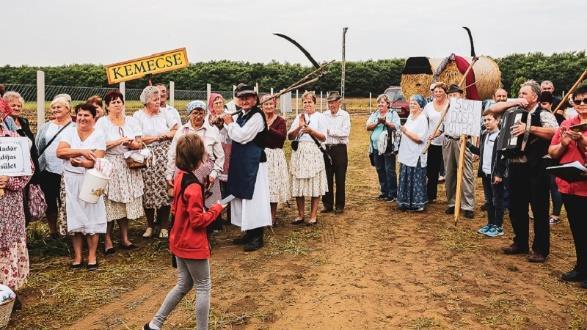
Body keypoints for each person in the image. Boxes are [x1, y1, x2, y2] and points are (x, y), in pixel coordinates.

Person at [144, 134, 226, 330]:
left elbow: (184, 203)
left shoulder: (180, 176)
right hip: (193, 244)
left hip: (178, 239)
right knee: (203, 286)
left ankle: (155, 323)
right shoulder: (194, 187)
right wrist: (216, 209)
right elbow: (198, 220)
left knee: (183, 284)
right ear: (198, 158)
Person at [490, 80, 558, 263]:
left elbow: (555, 132)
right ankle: (520, 243)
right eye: (519, 94)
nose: (521, 97)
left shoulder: (543, 113)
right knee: (516, 207)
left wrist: (529, 128)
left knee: (539, 209)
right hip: (515, 165)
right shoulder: (513, 112)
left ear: (535, 97)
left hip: (536, 167)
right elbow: (491, 111)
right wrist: (514, 102)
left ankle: (540, 249)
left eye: (524, 94)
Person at [56, 103, 107, 270]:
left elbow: (97, 159)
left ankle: (92, 255)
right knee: (75, 218)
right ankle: (78, 256)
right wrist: (82, 151)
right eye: (79, 115)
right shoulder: (69, 132)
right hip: (71, 180)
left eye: (86, 115)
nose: (82, 118)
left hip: (93, 180)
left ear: (94, 118)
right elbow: (60, 152)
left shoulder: (99, 134)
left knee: (93, 217)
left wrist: (82, 163)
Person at [223, 84, 271, 251]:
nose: (244, 100)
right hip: (242, 162)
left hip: (254, 164)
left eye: (248, 97)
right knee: (242, 196)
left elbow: (242, 136)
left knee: (254, 199)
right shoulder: (243, 115)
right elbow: (233, 132)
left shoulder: (257, 116)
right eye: (241, 98)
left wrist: (229, 123)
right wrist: (225, 123)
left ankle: (257, 236)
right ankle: (249, 232)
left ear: (255, 99)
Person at [96, 91, 144, 253]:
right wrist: (119, 141)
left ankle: (124, 237)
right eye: (113, 102)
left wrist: (133, 145)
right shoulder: (102, 123)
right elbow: (100, 144)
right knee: (110, 202)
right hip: (110, 164)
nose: (117, 104)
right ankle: (108, 239)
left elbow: (139, 141)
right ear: (107, 106)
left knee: (125, 201)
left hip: (128, 163)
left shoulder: (131, 121)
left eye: (119, 102)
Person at [548, 84, 587, 288]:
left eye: (585, 101)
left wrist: (581, 142)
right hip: (569, 185)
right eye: (577, 101)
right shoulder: (566, 124)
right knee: (577, 230)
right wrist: (563, 143)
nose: (581, 105)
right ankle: (581, 267)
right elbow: (552, 152)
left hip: (586, 187)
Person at [0, 99, 32, 310]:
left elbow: (27, 169)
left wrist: (9, 181)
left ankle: (8, 292)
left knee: (7, 246)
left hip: (8, 206)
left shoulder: (13, 139)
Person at [133, 86, 178, 239]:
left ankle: (164, 226)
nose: (158, 102)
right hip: (146, 156)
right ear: (146, 101)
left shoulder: (166, 113)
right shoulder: (138, 115)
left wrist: (162, 136)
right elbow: (138, 138)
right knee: (147, 191)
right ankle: (150, 225)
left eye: (159, 99)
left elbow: (176, 131)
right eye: (154, 99)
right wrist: (160, 136)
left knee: (164, 189)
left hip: (164, 156)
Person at [166, 100, 223, 212]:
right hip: (184, 174)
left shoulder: (212, 131)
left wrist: (214, 173)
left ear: (205, 114)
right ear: (189, 114)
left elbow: (220, 156)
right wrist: (169, 174)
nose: (198, 116)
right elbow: (173, 154)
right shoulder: (181, 131)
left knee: (206, 204)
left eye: (201, 113)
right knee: (186, 203)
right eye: (195, 113)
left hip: (206, 176)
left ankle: (207, 226)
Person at [35, 96, 73, 239]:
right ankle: (53, 231)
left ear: (68, 109)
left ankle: (68, 230)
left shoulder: (74, 126)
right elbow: (38, 147)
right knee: (50, 201)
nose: (56, 110)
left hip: (68, 170)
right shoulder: (46, 126)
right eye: (54, 107)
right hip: (48, 170)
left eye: (59, 107)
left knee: (67, 202)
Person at [288, 91, 328, 226]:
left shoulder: (320, 117)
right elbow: (290, 137)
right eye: (305, 102)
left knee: (314, 184)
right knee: (299, 183)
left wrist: (311, 131)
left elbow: (323, 137)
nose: (307, 104)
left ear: (314, 103)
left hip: (313, 152)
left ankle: (313, 215)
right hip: (299, 152)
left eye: (309, 101)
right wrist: (299, 127)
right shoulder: (299, 117)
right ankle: (300, 214)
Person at [466, 110, 506, 237]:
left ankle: (498, 226)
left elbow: (502, 157)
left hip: (495, 174)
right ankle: (490, 223)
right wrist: (468, 145)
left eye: (489, 120)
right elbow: (480, 152)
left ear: (497, 121)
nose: (486, 122)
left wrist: (499, 173)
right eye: (485, 120)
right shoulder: (484, 135)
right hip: (485, 173)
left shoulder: (501, 137)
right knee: (489, 200)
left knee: (497, 200)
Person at [4, 92, 42, 222]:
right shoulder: (4, 124)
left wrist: (35, 170)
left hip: (26, 170)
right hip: (11, 172)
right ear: (5, 106)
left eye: (19, 105)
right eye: (13, 105)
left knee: (25, 206)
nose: (16, 108)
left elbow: (32, 147)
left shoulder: (24, 122)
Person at [442, 84, 475, 218]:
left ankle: (468, 205)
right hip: (449, 141)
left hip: (463, 142)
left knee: (466, 174)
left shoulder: (468, 108)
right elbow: (442, 126)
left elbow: (474, 129)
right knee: (449, 173)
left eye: (455, 95)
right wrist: (436, 133)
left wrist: (467, 138)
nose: (452, 97)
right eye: (450, 95)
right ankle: (452, 203)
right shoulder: (446, 109)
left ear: (461, 95)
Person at [260, 94, 290, 225]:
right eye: (266, 104)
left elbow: (281, 137)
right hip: (261, 155)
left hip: (275, 156)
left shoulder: (280, 121)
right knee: (262, 187)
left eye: (271, 104)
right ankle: (262, 216)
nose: (268, 106)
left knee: (273, 186)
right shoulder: (258, 120)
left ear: (275, 105)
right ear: (262, 106)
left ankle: (272, 217)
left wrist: (268, 129)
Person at [366, 94, 401, 202]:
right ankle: (384, 191)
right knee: (380, 169)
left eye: (383, 103)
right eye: (379, 103)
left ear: (388, 104)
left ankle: (393, 193)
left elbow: (396, 126)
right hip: (376, 147)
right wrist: (377, 122)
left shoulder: (393, 114)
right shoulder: (375, 114)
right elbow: (367, 127)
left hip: (388, 146)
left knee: (389, 170)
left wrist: (386, 122)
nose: (380, 105)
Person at [397, 95, 429, 211]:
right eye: (411, 103)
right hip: (406, 152)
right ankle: (405, 202)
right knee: (406, 177)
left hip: (416, 154)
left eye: (414, 103)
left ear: (420, 106)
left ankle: (417, 204)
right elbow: (405, 131)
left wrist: (405, 131)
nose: (411, 105)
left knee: (416, 178)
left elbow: (420, 138)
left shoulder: (422, 119)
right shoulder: (410, 116)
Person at [321, 91, 350, 214]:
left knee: (340, 177)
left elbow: (345, 133)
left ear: (339, 102)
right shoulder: (324, 115)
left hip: (340, 149)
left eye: (333, 103)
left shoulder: (345, 115)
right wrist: (332, 132)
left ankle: (339, 205)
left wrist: (330, 131)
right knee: (326, 178)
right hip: (326, 148)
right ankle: (327, 204)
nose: (331, 105)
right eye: (329, 103)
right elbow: (322, 132)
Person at [539, 92, 564, 225]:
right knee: (544, 185)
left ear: (551, 104)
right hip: (542, 156)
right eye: (540, 103)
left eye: (544, 103)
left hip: (554, 155)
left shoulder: (557, 117)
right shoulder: (538, 114)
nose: (542, 106)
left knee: (554, 185)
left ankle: (555, 214)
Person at [423, 82, 449, 202]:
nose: (438, 93)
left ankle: (451, 197)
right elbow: (423, 121)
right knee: (432, 170)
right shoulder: (428, 106)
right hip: (433, 143)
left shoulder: (450, 105)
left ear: (445, 92)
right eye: (436, 91)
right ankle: (431, 195)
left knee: (449, 171)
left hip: (448, 142)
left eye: (440, 91)